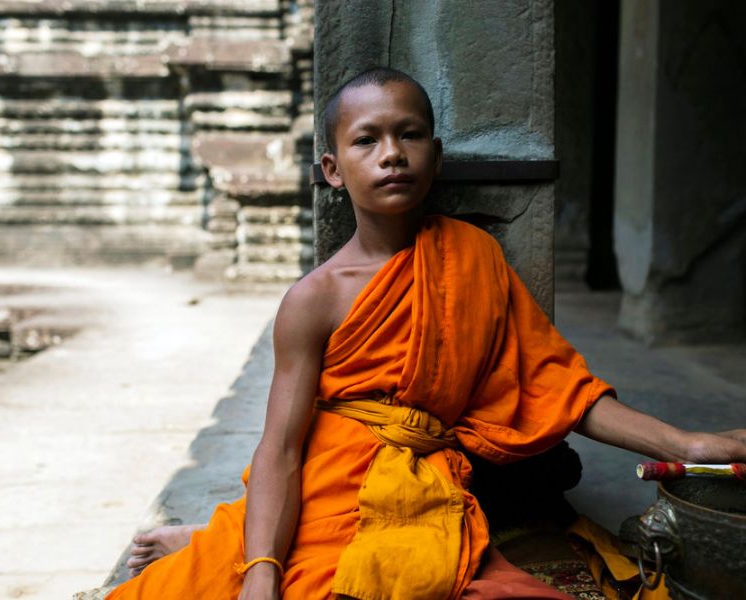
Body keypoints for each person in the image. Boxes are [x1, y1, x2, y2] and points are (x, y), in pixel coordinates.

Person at [107, 68, 746, 600]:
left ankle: (217, 535)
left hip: (427, 486)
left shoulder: (473, 257)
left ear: (434, 157)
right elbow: (279, 449)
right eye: (367, 140)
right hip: (334, 478)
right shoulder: (315, 299)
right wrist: (260, 575)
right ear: (333, 169)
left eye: (409, 134)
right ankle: (229, 541)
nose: (391, 153)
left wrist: (688, 441)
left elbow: (557, 388)